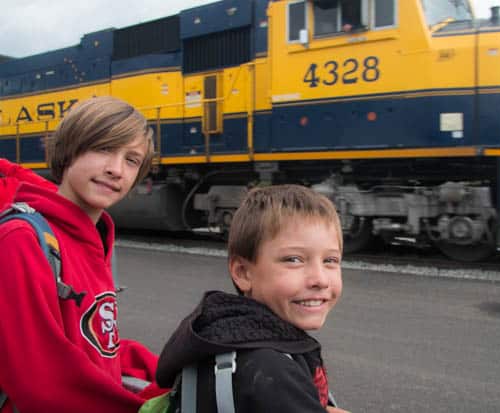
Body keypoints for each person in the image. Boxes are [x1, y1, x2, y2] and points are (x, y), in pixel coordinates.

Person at [0, 96, 162, 413]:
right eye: (103, 149)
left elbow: (92, 343)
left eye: (131, 160)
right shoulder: (22, 240)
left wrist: (175, 365)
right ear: (69, 151)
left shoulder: (93, 239)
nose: (116, 169)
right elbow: (42, 382)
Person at [155, 185, 350, 413]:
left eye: (331, 260)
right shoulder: (270, 372)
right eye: (294, 259)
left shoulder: (226, 337)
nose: (320, 279)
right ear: (243, 273)